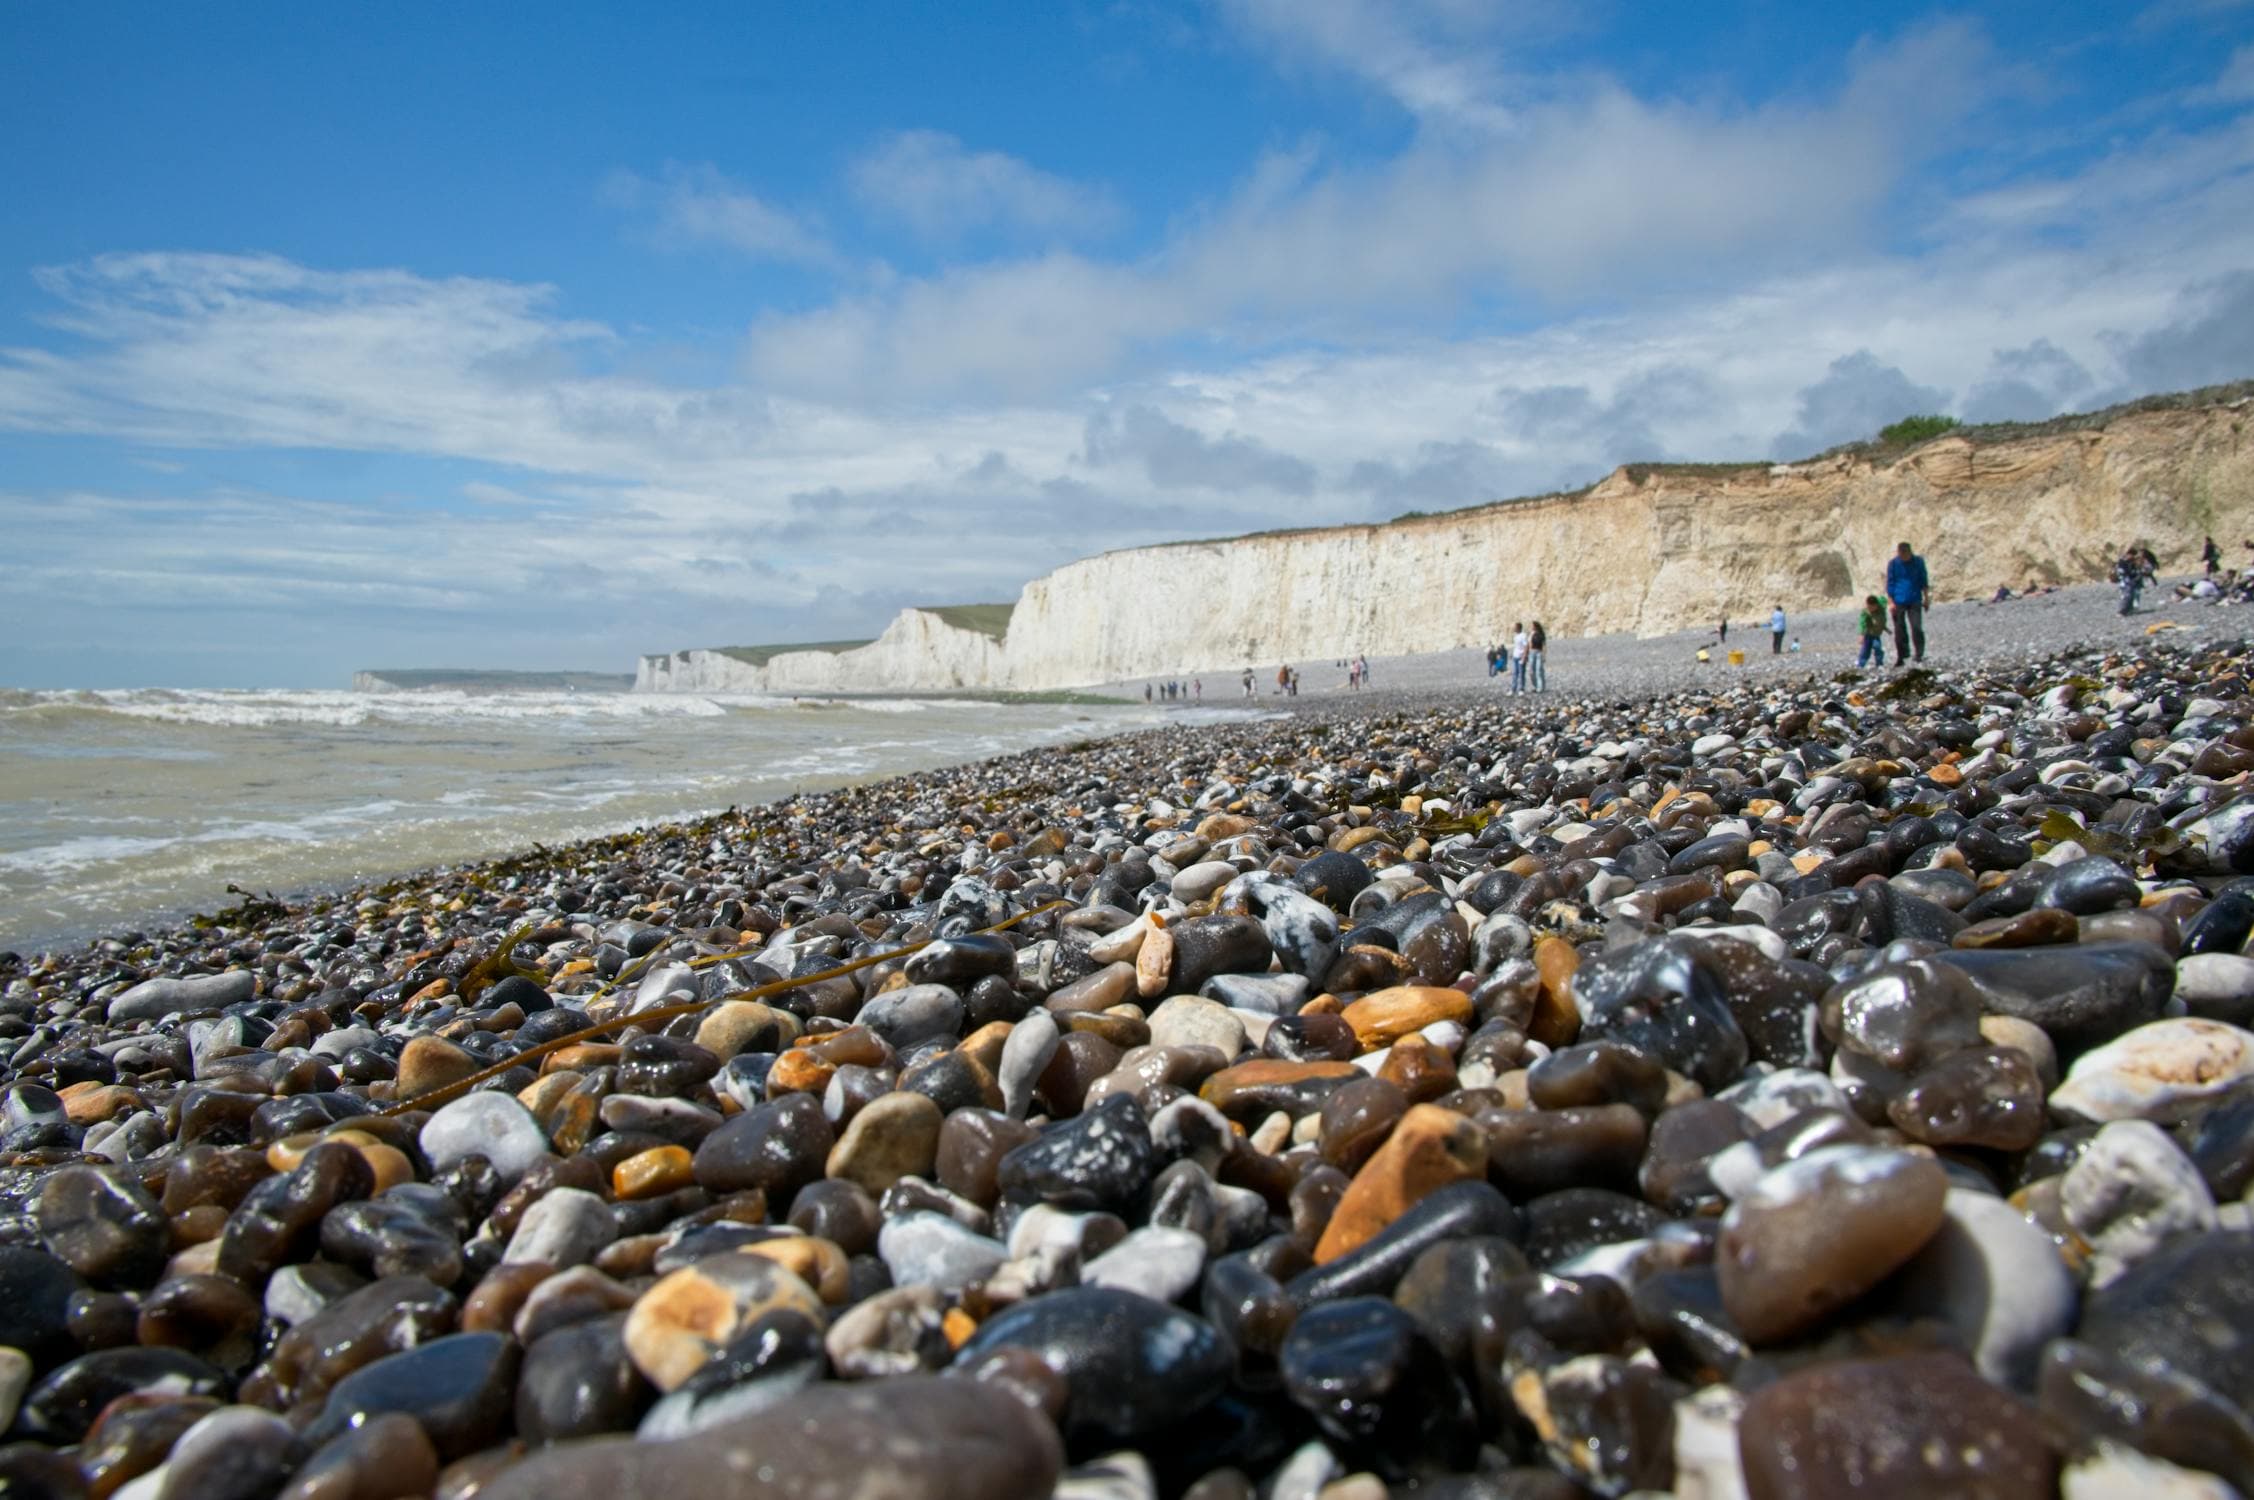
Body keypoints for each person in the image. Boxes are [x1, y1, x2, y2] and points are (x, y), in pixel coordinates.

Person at [1885, 541, 1930, 665]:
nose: (1903, 556)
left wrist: (1926, 599)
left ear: (1909, 552)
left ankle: (1919, 654)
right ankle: (1902, 655)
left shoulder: (1918, 562)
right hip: (1898, 600)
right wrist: (1891, 602)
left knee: (1916, 627)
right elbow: (1890, 583)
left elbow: (1924, 580)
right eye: (1900, 553)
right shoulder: (1893, 564)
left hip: (1914, 599)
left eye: (1905, 553)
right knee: (1899, 630)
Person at [1856, 594, 1885, 668]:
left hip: (1876, 634)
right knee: (1865, 650)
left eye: (1872, 607)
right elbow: (1862, 623)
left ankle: (1879, 663)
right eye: (1869, 607)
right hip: (1868, 633)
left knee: (1877, 648)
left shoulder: (1882, 606)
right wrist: (1861, 634)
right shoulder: (1865, 612)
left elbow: (1883, 599)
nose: (1870, 609)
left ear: (1876, 605)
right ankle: (1861, 664)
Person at [2115, 547, 2144, 616]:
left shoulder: (2130, 562)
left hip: (2130, 582)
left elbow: (2134, 571)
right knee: (2126, 596)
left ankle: (2128, 610)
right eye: (2132, 555)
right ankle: (2121, 611)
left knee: (2132, 595)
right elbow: (2124, 572)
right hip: (2125, 582)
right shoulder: (2123, 561)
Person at [1509, 622, 1530, 695]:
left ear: (1518, 627)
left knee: (1521, 673)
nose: (1513, 628)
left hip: (1521, 656)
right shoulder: (1515, 636)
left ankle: (1521, 689)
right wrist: (1513, 654)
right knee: (1515, 673)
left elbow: (1526, 646)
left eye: (1515, 627)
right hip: (1515, 656)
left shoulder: (1523, 636)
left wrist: (1524, 656)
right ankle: (1513, 688)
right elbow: (1517, 646)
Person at [1528, 622, 1547, 691]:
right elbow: (1529, 644)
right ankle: (1535, 686)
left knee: (1539, 670)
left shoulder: (1541, 635)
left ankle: (1540, 687)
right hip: (1532, 652)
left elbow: (1544, 645)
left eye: (1532, 626)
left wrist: (1544, 655)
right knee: (1531, 671)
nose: (1531, 627)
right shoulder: (1531, 634)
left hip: (1539, 652)